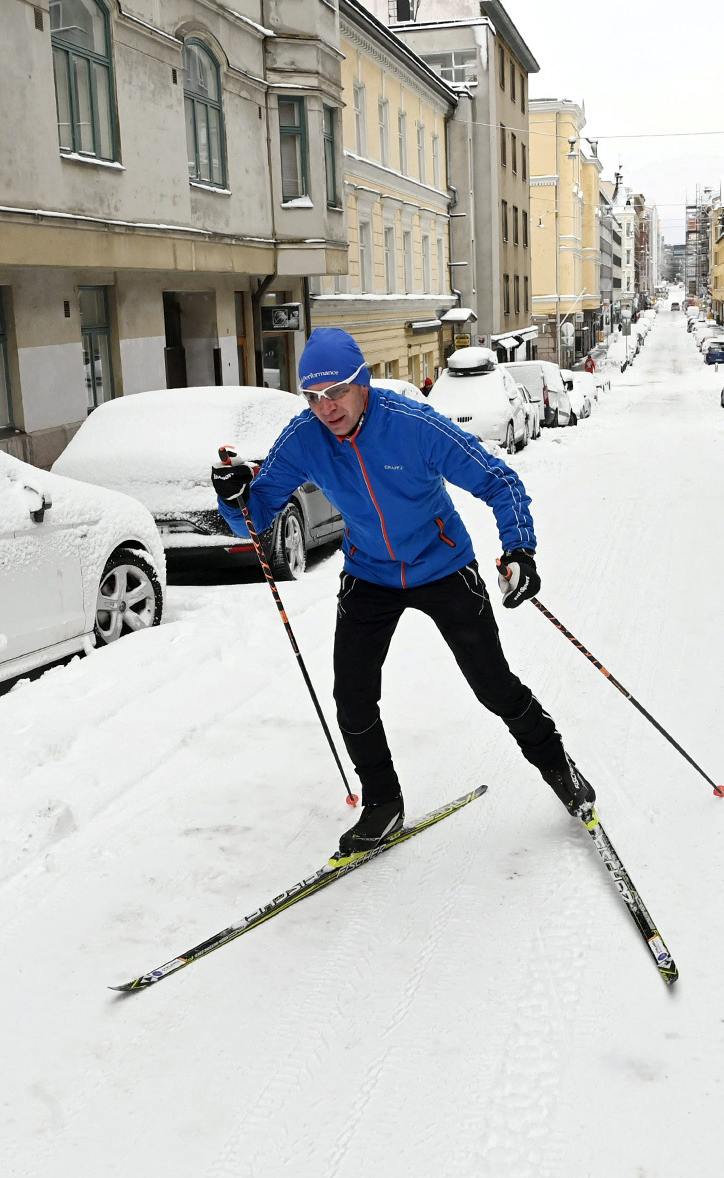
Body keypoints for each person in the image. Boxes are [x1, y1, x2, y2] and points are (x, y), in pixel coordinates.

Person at [210, 328, 595, 858]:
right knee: (352, 696)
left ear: (361, 383)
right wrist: (234, 496)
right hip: (370, 572)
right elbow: (254, 520)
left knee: (493, 685)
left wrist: (519, 550)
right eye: (314, 397)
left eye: (337, 392)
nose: (327, 408)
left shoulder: (413, 426)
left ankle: (559, 767)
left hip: (443, 564)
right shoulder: (304, 438)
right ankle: (383, 803)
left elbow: (498, 481)